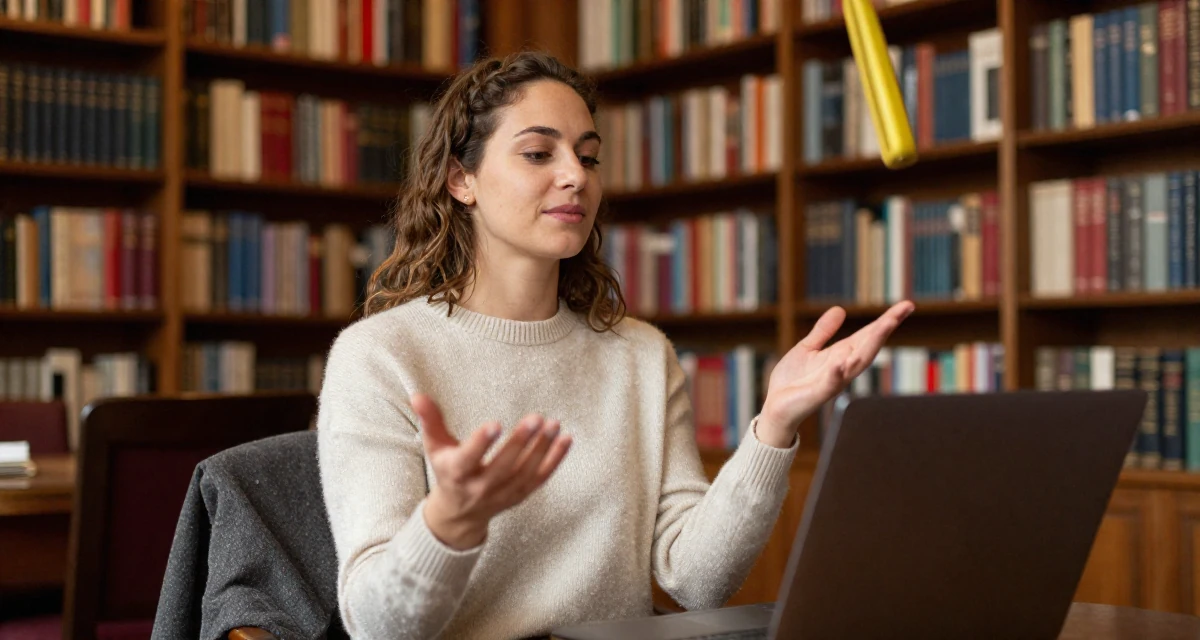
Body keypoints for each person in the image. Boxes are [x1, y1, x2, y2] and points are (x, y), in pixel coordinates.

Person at [316, 50, 914, 640]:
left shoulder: (641, 356)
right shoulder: (381, 357)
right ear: (460, 179)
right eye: (536, 153)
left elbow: (698, 581)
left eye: (588, 156)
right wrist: (449, 522)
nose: (575, 175)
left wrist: (774, 426)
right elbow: (376, 626)